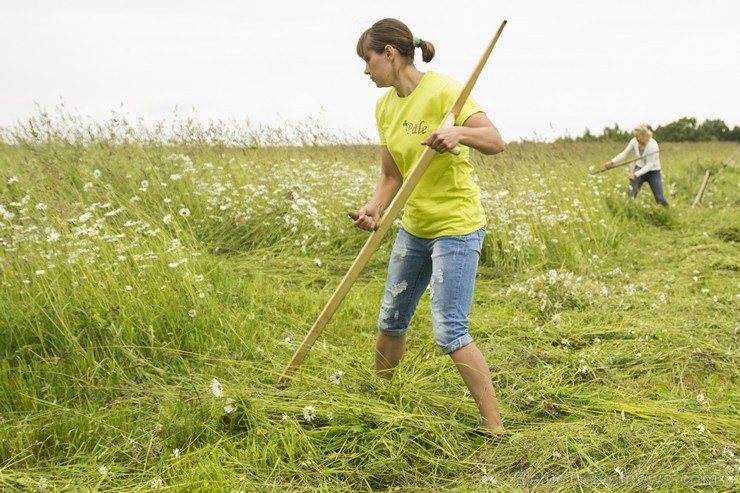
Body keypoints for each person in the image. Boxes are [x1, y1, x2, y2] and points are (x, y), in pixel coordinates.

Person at [352, 18, 505, 431]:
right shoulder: (384, 107)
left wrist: (458, 133)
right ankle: (381, 404)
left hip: (456, 225)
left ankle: (496, 429)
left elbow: (495, 140)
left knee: (449, 329)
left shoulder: (444, 90)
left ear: (389, 53)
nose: (365, 71)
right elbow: (390, 176)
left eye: (367, 60)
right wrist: (374, 209)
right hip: (414, 227)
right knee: (391, 317)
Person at [604, 125, 669, 207]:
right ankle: (630, 213)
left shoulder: (653, 145)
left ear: (645, 134)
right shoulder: (634, 141)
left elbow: (649, 165)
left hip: (653, 172)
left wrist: (635, 174)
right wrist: (612, 162)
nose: (636, 139)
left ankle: (668, 212)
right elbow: (625, 154)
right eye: (635, 136)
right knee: (631, 195)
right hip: (639, 168)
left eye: (638, 136)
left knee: (659, 198)